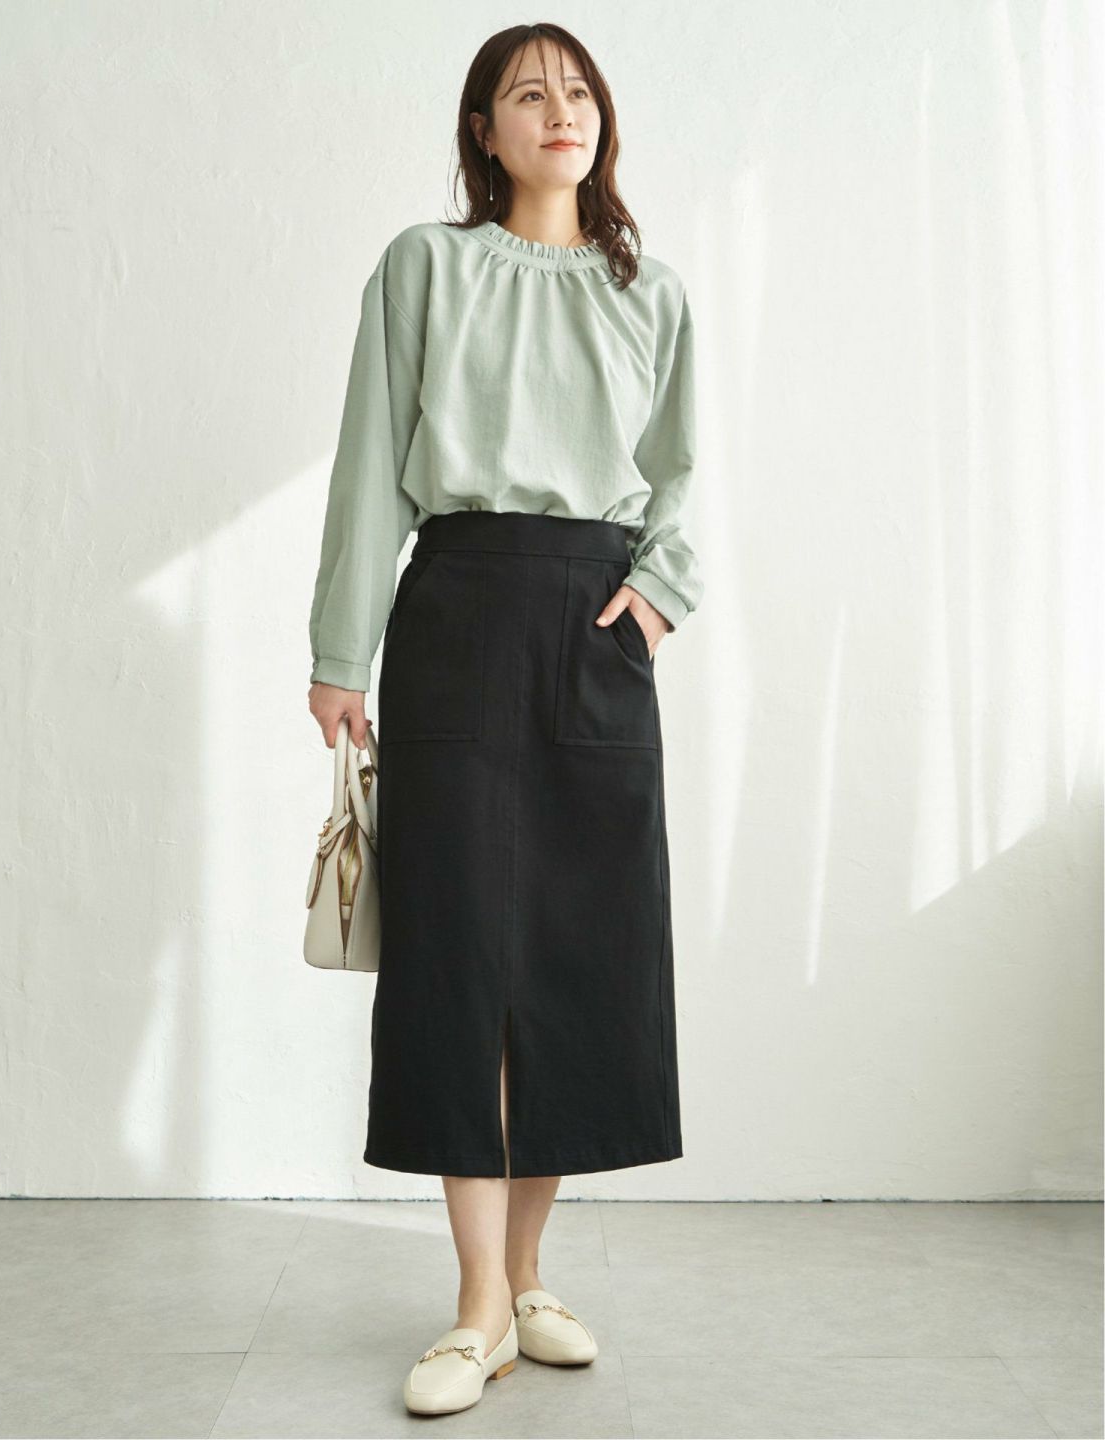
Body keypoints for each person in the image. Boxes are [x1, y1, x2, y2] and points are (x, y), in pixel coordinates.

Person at [307, 22, 704, 1417]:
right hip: (459, 615)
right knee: (458, 957)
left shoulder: (650, 292)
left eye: (578, 90)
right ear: (485, 129)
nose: (559, 111)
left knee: (576, 958)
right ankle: (477, 1304)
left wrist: (658, 597)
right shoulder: (425, 267)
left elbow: (682, 475)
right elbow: (369, 461)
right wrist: (340, 649)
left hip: (595, 628)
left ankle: (529, 1276)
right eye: (527, 93)